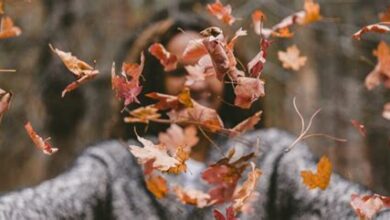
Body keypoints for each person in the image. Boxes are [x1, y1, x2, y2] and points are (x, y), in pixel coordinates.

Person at [1, 7, 389, 220]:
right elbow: (46, 204)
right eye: (177, 72)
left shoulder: (269, 156)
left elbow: (341, 203)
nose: (196, 82)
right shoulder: (116, 165)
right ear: (153, 82)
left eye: (210, 69)